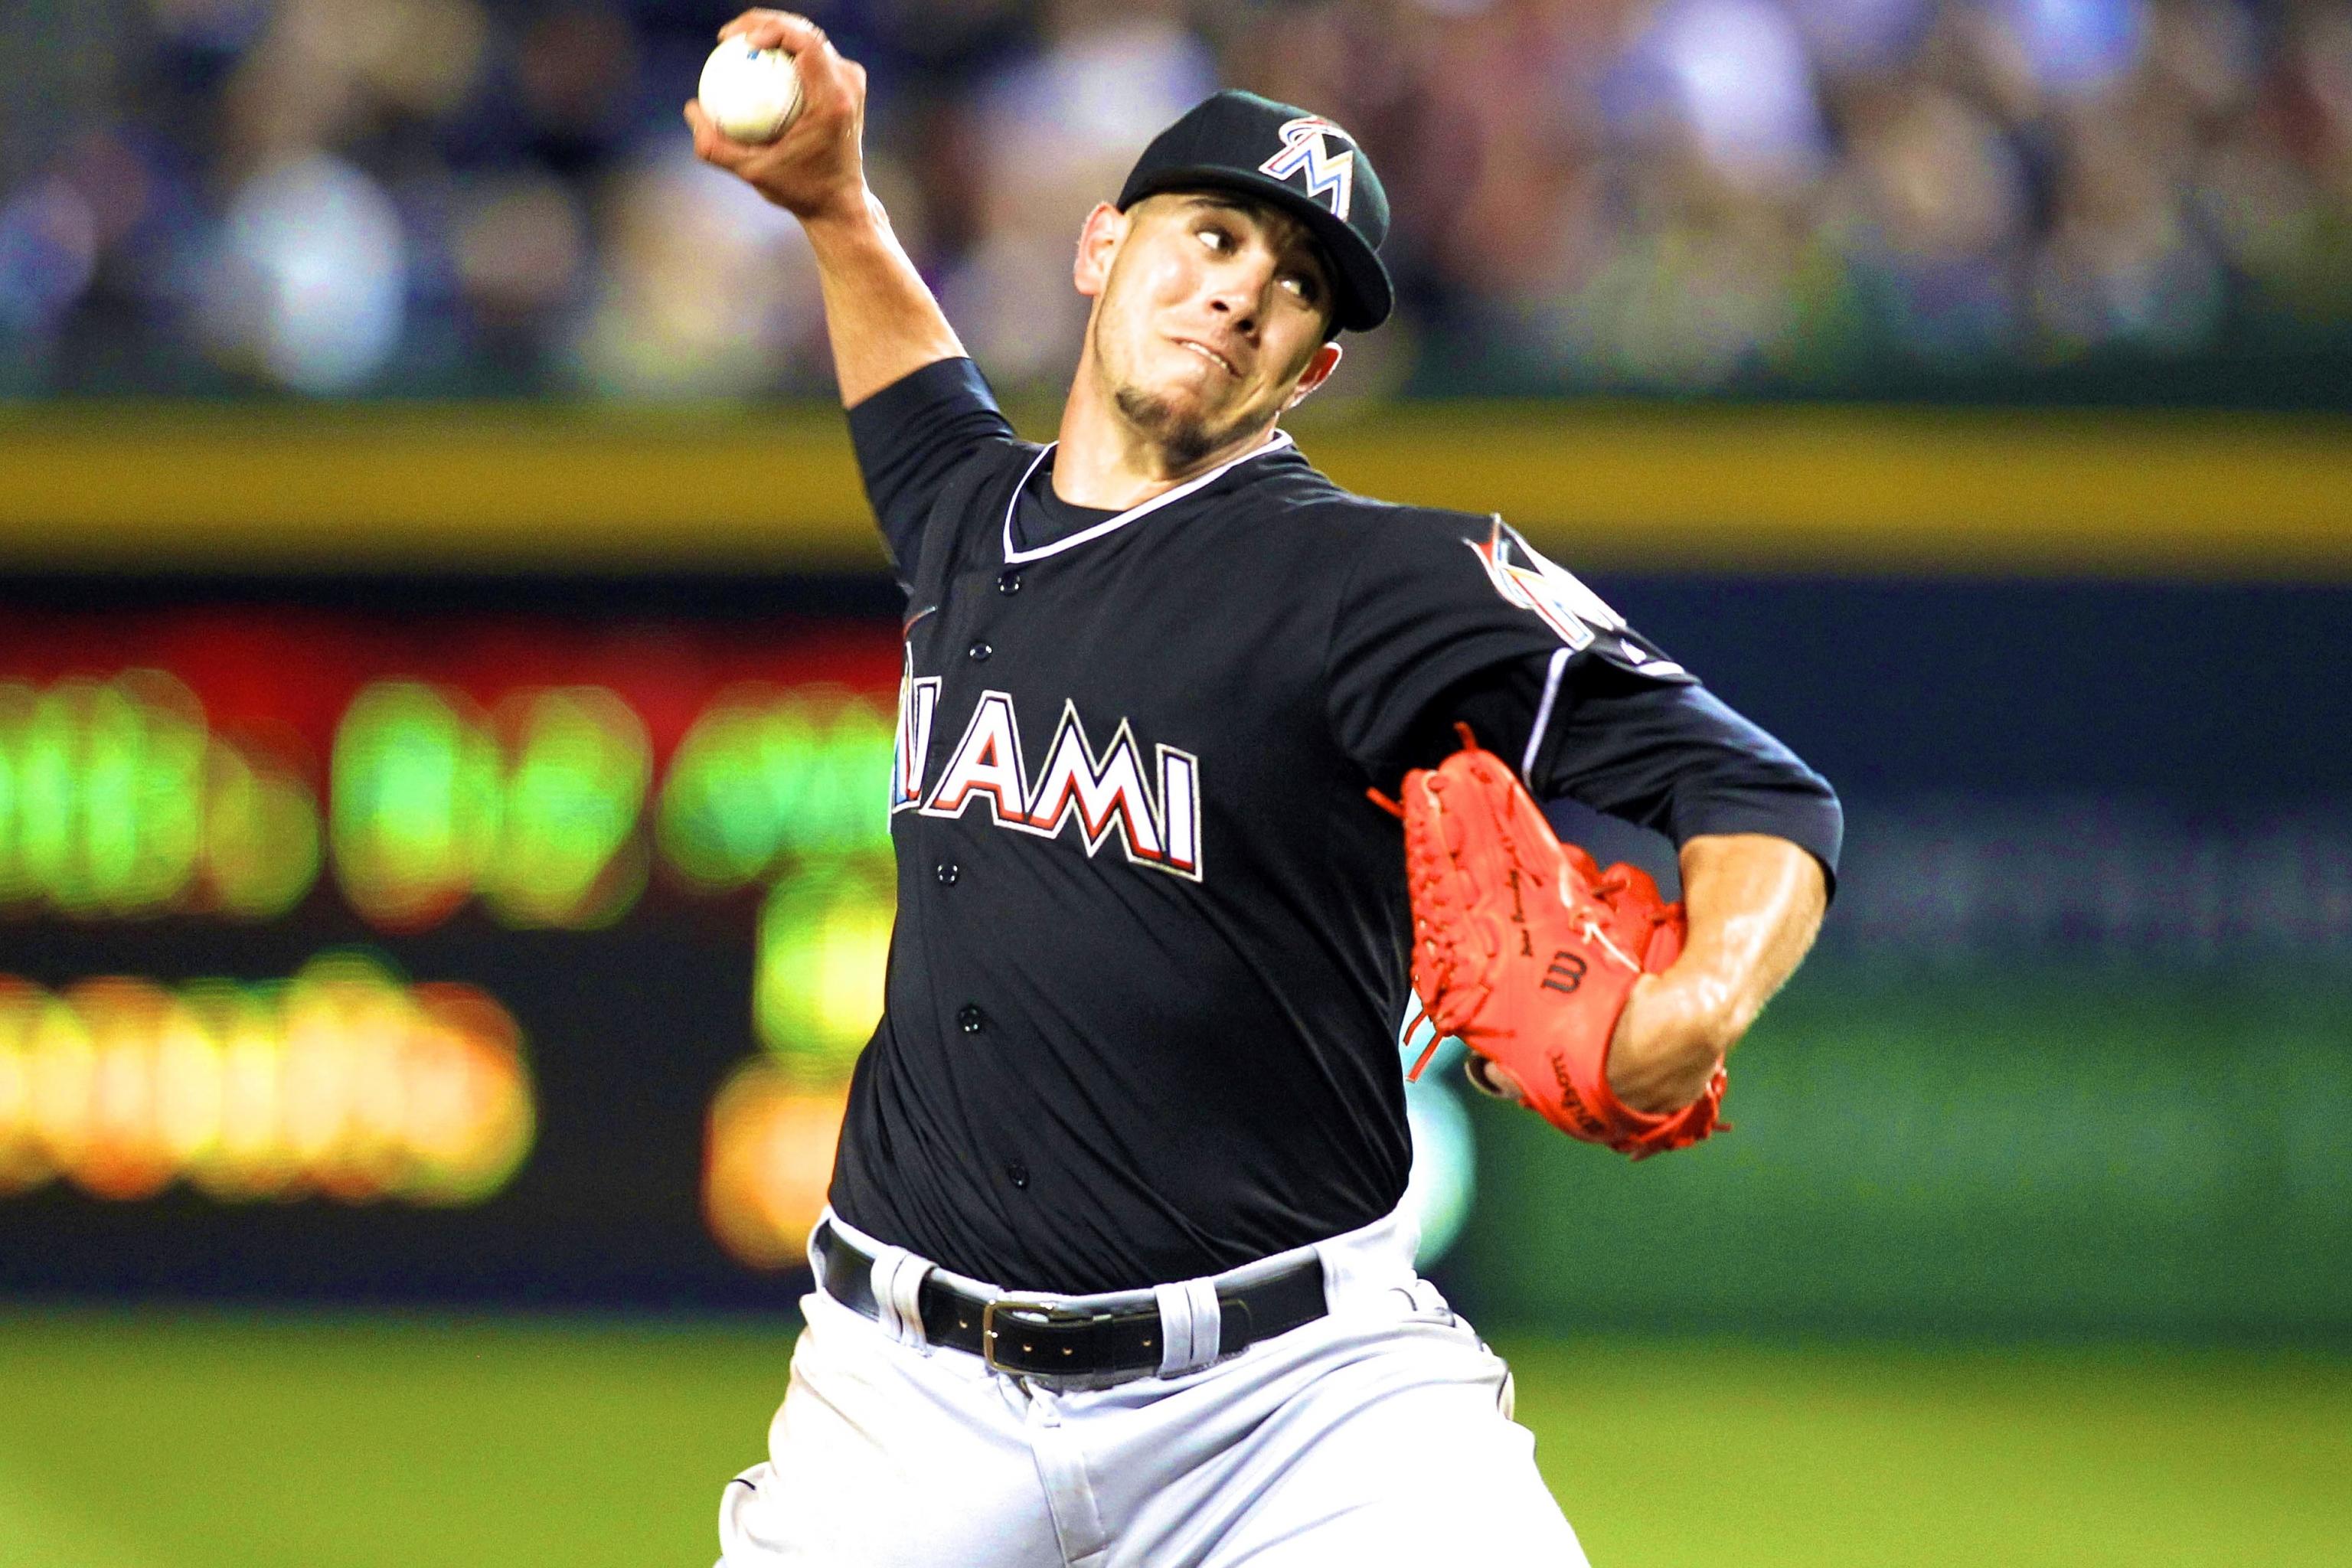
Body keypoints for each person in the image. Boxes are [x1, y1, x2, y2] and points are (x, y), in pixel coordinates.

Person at [688, 11, 1841, 1566]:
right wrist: (834, 202)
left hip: (1295, 1404)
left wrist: (1699, 999)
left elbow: (1758, 789)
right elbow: (914, 381)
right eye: (1214, 233)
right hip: (905, 1399)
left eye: (1297, 284)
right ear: (1105, 248)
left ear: (1320, 363)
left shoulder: (1385, 580)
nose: (1243, 286)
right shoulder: (972, 518)